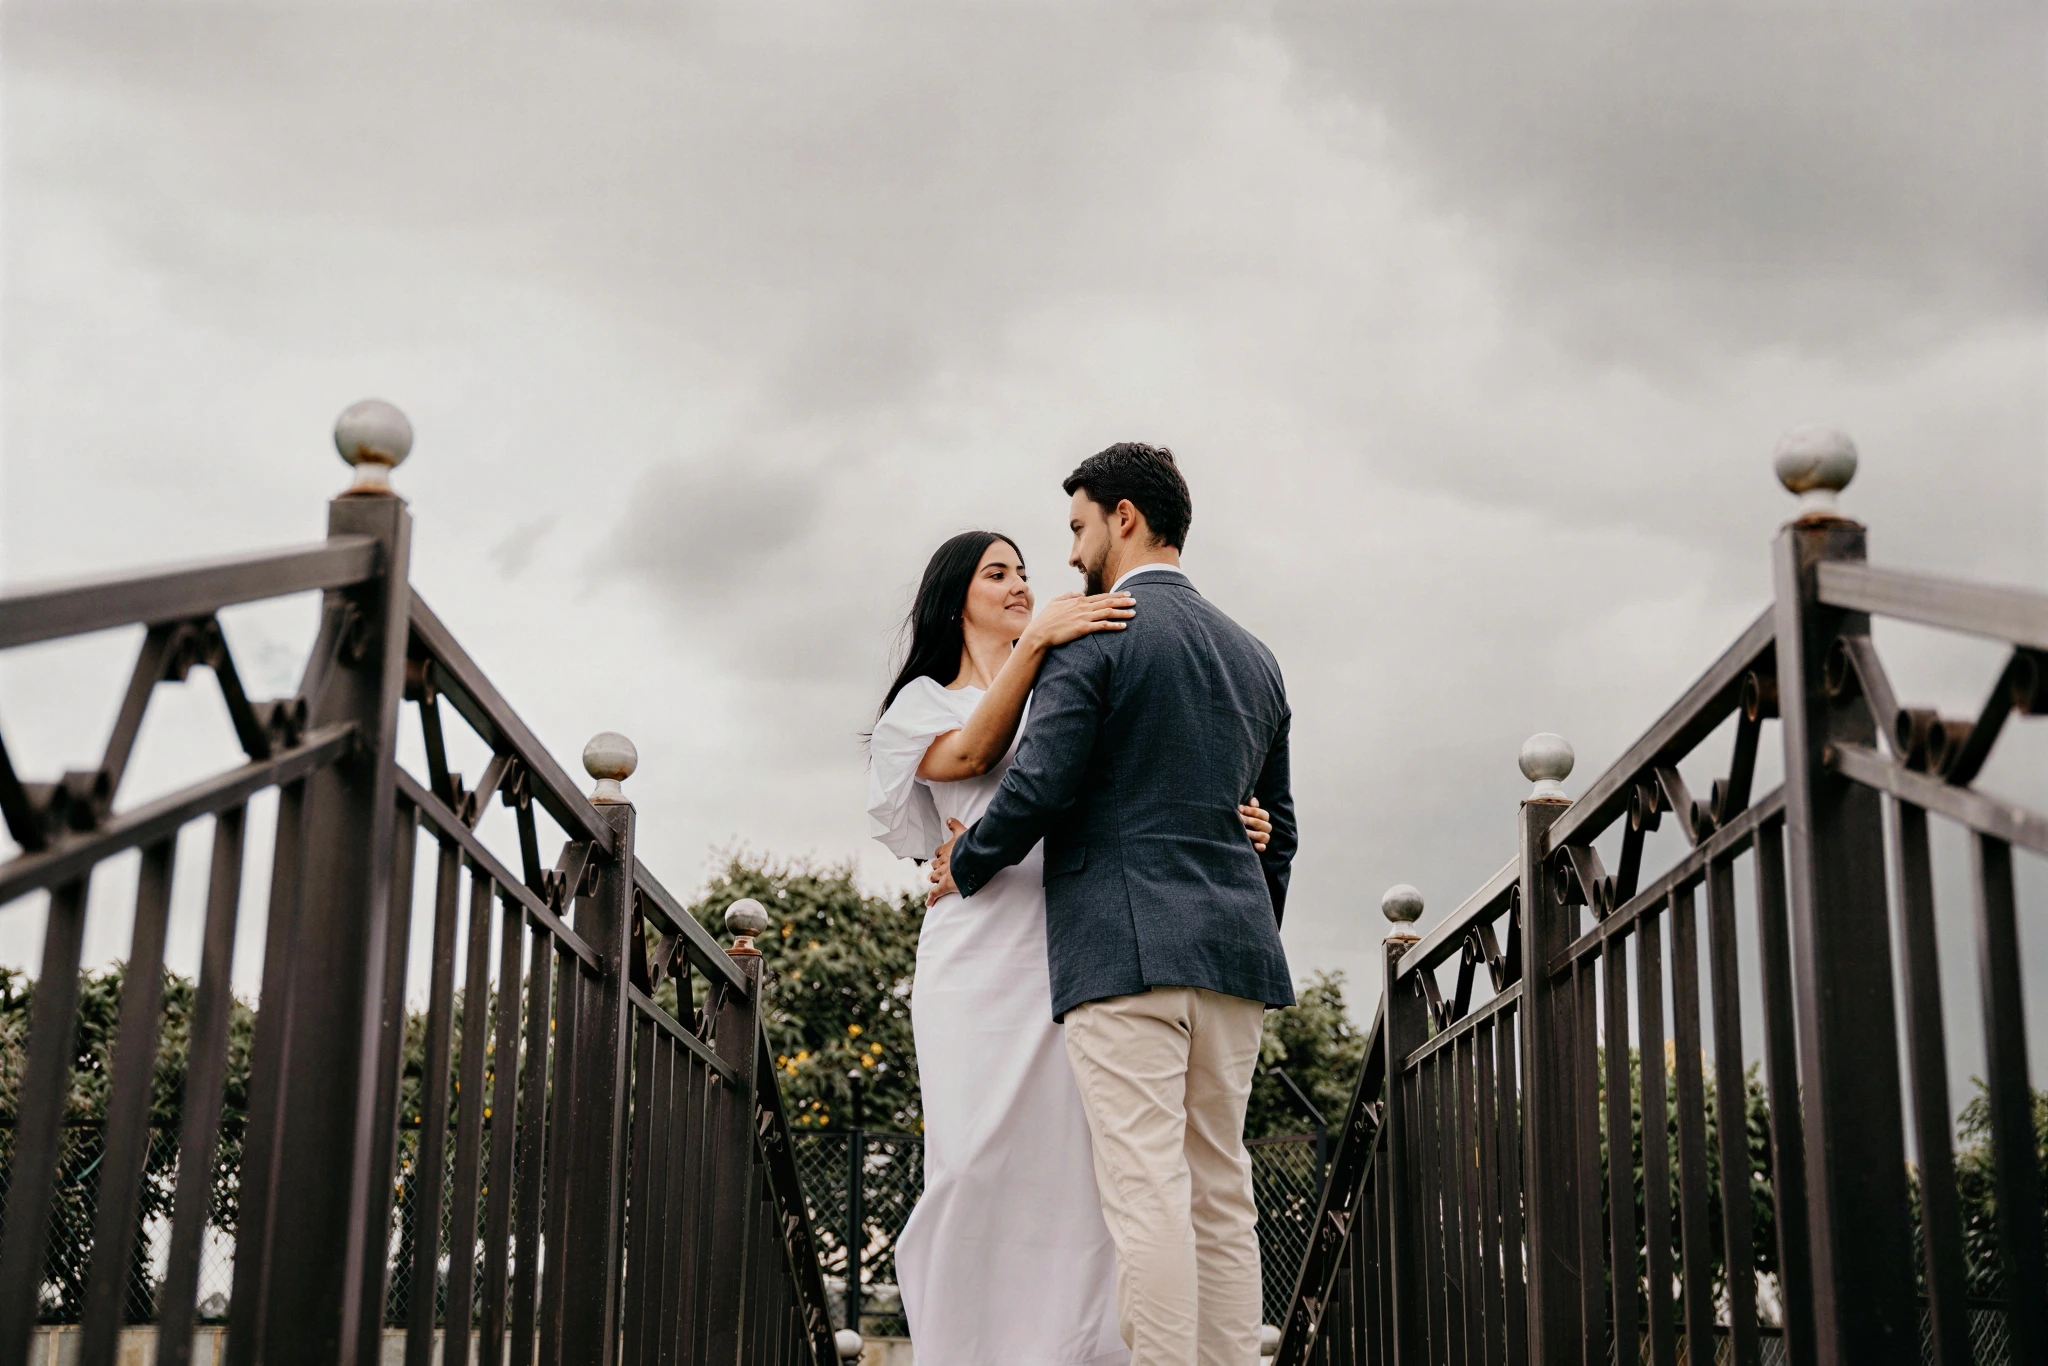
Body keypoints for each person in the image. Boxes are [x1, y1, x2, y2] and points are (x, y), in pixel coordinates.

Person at [927, 444, 1297, 1366]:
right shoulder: (1256, 657)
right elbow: (1280, 830)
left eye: (1078, 527)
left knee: (1147, 1193)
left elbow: (1040, 785)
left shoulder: (1096, 632)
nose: (1070, 554)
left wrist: (965, 860)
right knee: (1223, 1194)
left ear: (1123, 517)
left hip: (1124, 956)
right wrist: (1245, 928)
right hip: (1236, 960)